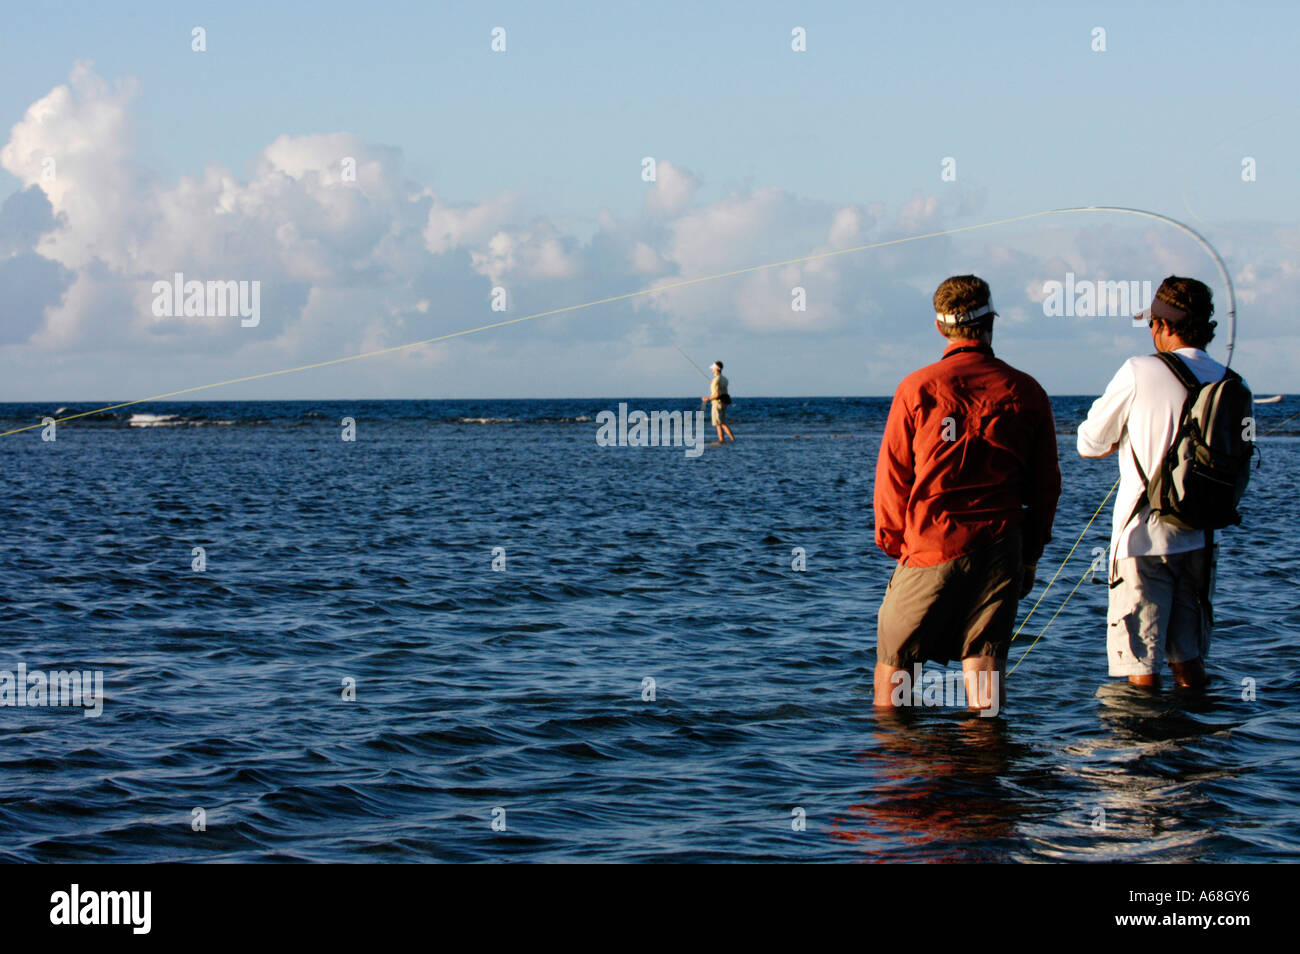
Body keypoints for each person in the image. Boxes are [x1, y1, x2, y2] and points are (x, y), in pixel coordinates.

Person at [874, 276, 1060, 712]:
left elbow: (893, 479)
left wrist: (895, 542)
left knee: (895, 670)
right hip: (1002, 546)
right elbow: (1046, 486)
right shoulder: (1027, 391)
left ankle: (900, 769)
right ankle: (986, 766)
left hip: (930, 542)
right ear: (991, 321)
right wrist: (1030, 553)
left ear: (941, 329)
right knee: (985, 665)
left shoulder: (917, 388)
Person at [1077, 276, 1240, 690]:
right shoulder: (1232, 384)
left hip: (1140, 543)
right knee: (1189, 664)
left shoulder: (1138, 370)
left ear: (1163, 325)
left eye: (1153, 323)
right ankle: (1194, 747)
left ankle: (1143, 750)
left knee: (1141, 667)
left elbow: (1089, 443)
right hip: (1201, 539)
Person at [702, 360, 734, 443]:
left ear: (716, 369)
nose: (712, 370)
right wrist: (713, 383)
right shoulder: (725, 379)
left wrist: (707, 398)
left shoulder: (715, 380)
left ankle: (721, 440)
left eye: (713, 368)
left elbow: (716, 394)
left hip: (717, 403)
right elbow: (722, 390)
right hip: (724, 403)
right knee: (723, 422)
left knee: (718, 424)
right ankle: (732, 439)